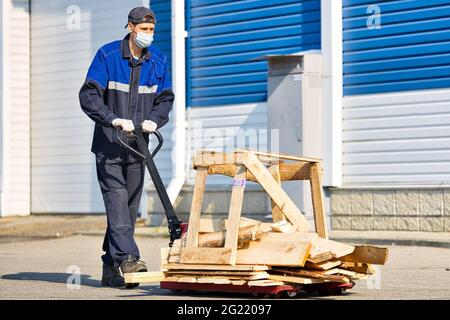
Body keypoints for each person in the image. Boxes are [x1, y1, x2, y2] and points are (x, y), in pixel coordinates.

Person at [79, 6, 174, 288]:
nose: (149, 35)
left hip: (138, 147)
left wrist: (154, 121)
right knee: (117, 202)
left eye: (152, 30)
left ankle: (111, 268)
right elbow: (89, 95)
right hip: (110, 145)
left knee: (129, 208)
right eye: (144, 30)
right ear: (131, 27)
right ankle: (129, 259)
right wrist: (112, 119)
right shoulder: (108, 56)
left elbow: (165, 99)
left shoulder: (158, 60)